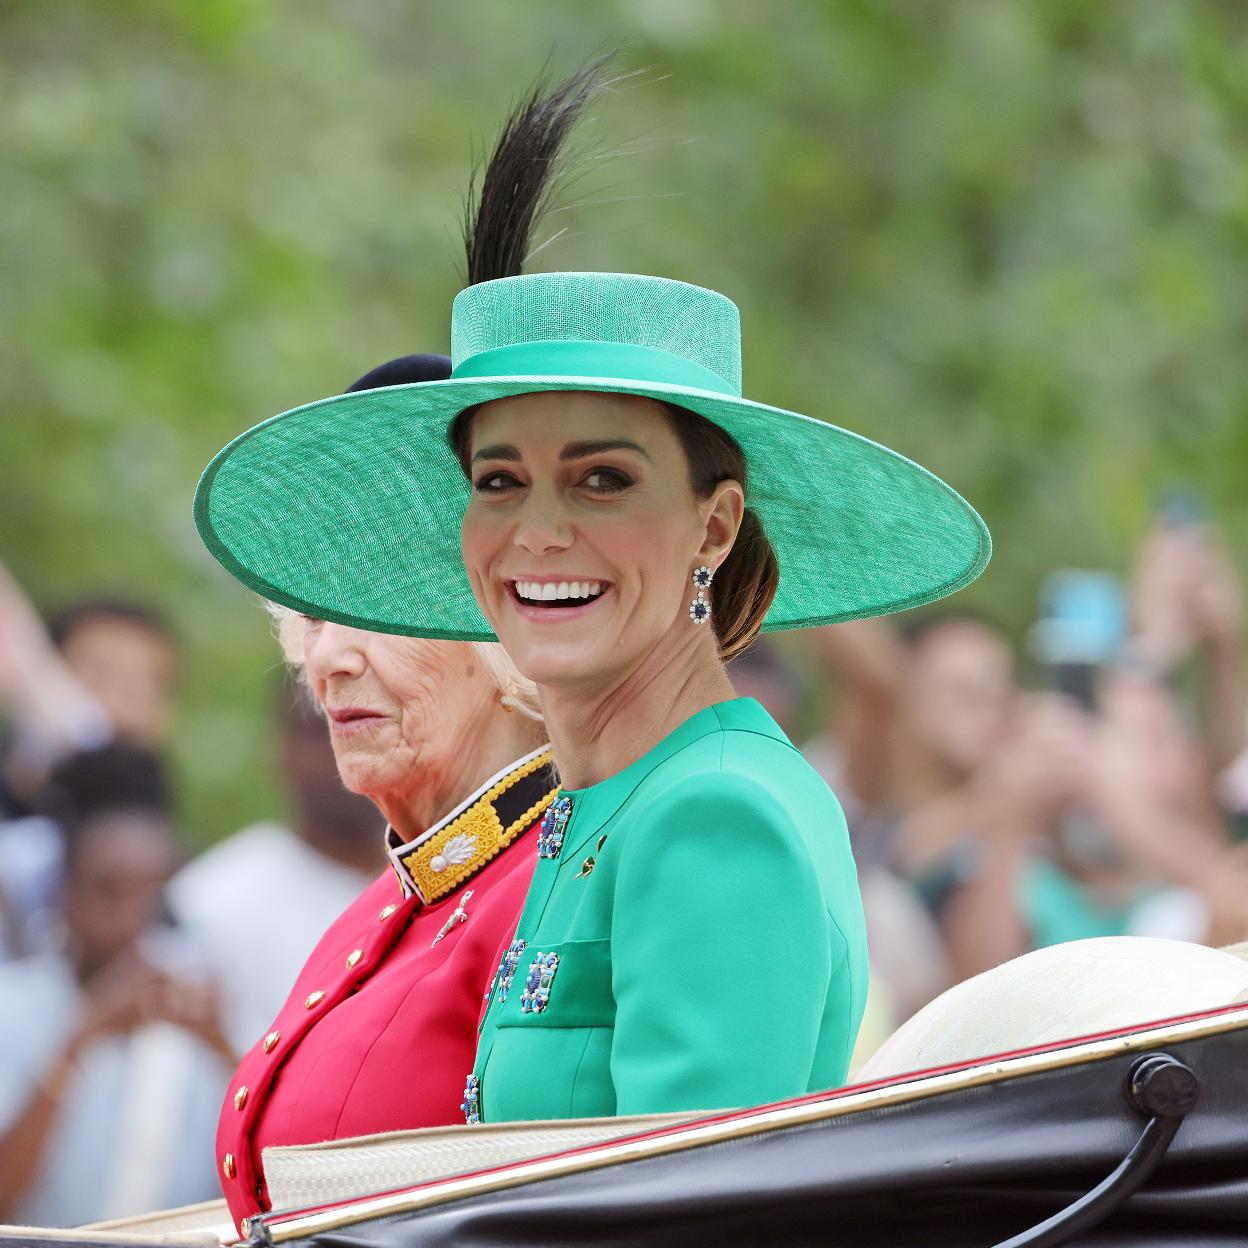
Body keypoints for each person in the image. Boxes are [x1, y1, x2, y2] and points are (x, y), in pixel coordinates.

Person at [194, 60, 990, 1126]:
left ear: (712, 523)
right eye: (499, 481)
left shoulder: (715, 813)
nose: (540, 533)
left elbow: (673, 1218)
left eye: (603, 479)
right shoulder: (599, 803)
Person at [206, 349, 558, 1233]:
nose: (326, 661)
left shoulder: (569, 884)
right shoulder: (378, 911)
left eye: (380, 612)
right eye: (316, 615)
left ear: (499, 624)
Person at [0, 745, 230, 1225]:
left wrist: (223, 1049)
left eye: (151, 892)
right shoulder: (14, 1006)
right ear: (65, 891)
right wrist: (82, 1040)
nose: (131, 921)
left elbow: (258, 1188)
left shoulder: (192, 1006)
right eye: (108, 890)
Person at [168, 675, 384, 1055]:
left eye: (368, 724)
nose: (346, 748)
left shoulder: (454, 887)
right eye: (323, 729)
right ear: (279, 748)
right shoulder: (210, 899)